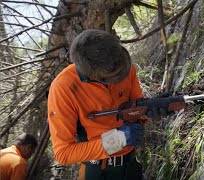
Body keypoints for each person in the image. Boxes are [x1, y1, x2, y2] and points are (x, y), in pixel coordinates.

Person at [48, 29, 164, 180]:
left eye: (122, 71)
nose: (122, 76)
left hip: (131, 165)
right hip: (98, 171)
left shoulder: (124, 67)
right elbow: (63, 153)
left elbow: (137, 111)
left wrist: (151, 109)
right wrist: (117, 140)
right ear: (93, 76)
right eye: (114, 77)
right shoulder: (64, 88)